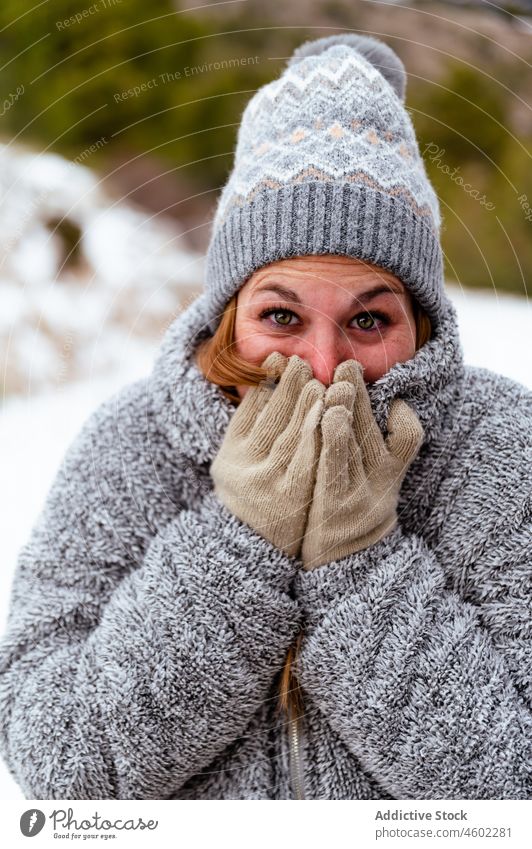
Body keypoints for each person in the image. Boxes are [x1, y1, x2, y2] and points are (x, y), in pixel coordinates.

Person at [0, 34, 530, 801]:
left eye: (370, 320)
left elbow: (515, 785)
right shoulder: (133, 445)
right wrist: (240, 542)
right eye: (282, 315)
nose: (322, 365)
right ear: (227, 314)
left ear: (420, 321)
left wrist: (361, 567)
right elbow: (59, 764)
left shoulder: (501, 448)